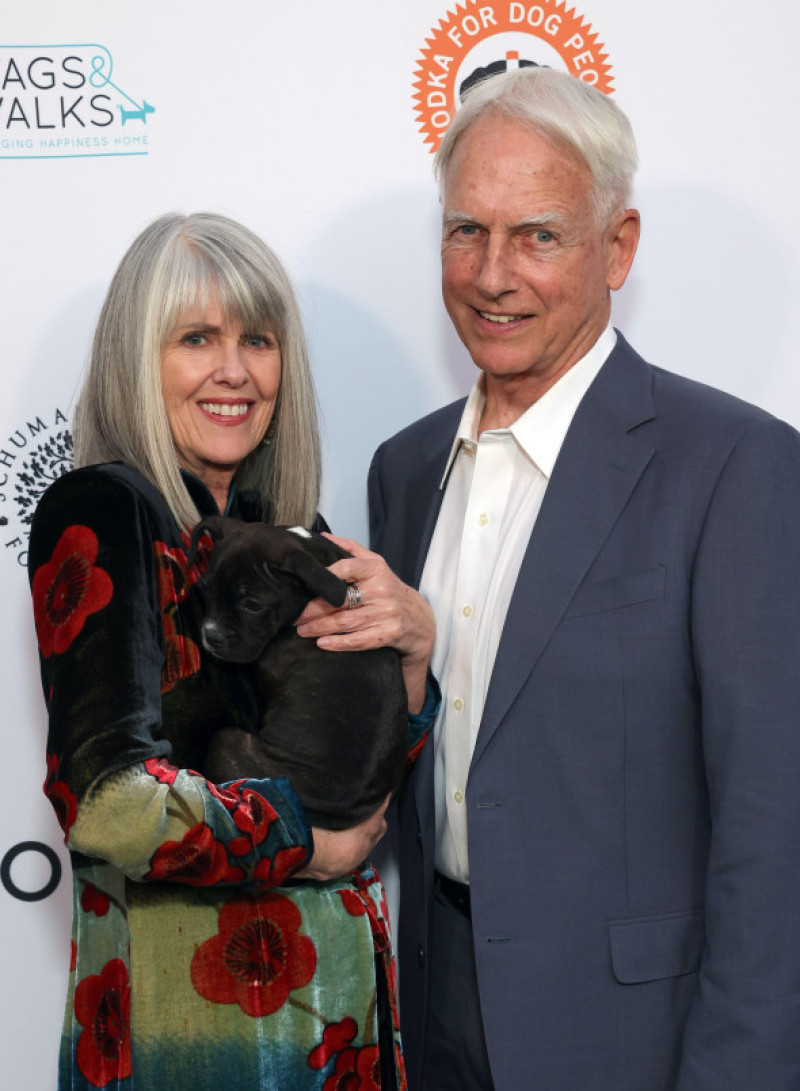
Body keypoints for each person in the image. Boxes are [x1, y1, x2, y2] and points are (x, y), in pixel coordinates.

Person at [298, 67, 800, 1089]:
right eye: (464, 231)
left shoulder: (733, 464)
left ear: (615, 246)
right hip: (430, 1013)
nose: (491, 275)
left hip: (631, 1040)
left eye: (536, 234)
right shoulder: (403, 466)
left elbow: (771, 829)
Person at [28, 211, 435, 1091]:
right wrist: (307, 844)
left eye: (258, 338)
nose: (234, 370)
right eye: (196, 338)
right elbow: (106, 803)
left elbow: (360, 783)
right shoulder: (105, 511)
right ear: (140, 360)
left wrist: (411, 659)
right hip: (190, 1039)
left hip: (337, 1028)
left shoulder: (286, 537)